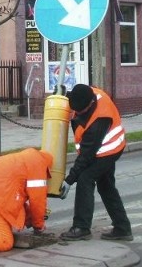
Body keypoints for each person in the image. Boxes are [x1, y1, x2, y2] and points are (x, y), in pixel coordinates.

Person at [58, 84, 133, 242]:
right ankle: (122, 228)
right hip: (100, 149)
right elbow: (75, 97)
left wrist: (69, 180)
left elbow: (87, 156)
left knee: (85, 179)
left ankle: (81, 227)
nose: (77, 113)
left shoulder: (100, 119)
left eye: (80, 111)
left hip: (108, 150)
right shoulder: (87, 93)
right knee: (106, 187)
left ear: (90, 104)